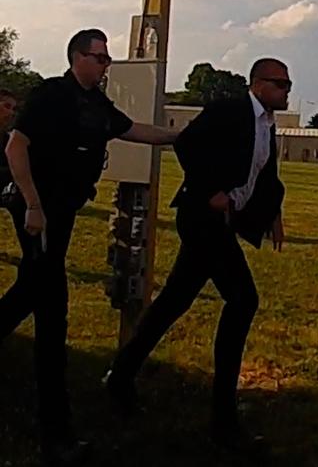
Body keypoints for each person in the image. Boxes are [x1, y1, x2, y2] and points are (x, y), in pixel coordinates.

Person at [0, 29, 176, 466]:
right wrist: (34, 206)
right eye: (98, 57)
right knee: (52, 316)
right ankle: (56, 436)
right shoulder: (50, 96)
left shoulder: (95, 103)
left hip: (60, 216)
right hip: (38, 216)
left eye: (106, 57)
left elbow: (131, 129)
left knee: (28, 292)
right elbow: (15, 148)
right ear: (76, 57)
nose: (105, 63)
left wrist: (178, 138)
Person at [104, 58, 291, 455]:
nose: (286, 91)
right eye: (280, 84)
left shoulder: (267, 125)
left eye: (288, 84)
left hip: (221, 222)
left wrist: (273, 214)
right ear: (258, 84)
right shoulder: (229, 110)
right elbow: (188, 144)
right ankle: (223, 419)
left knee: (175, 300)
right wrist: (209, 191)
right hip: (202, 218)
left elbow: (265, 173)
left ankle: (120, 377)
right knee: (243, 300)